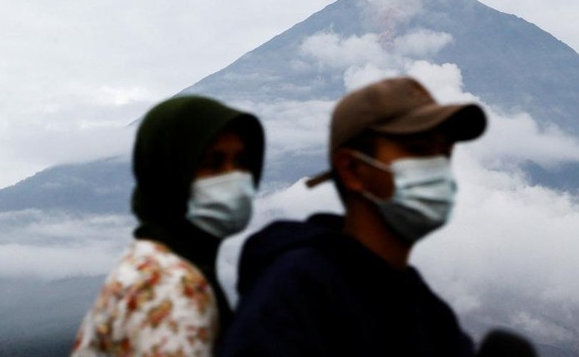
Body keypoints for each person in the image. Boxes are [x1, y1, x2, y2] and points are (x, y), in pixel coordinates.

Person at [221, 76, 487, 357]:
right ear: (352, 170)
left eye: (444, 154)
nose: (438, 168)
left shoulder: (427, 312)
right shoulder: (295, 295)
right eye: (418, 150)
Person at [71, 95, 264, 356]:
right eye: (213, 164)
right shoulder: (172, 289)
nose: (234, 177)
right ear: (169, 174)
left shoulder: (147, 264)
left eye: (242, 162)